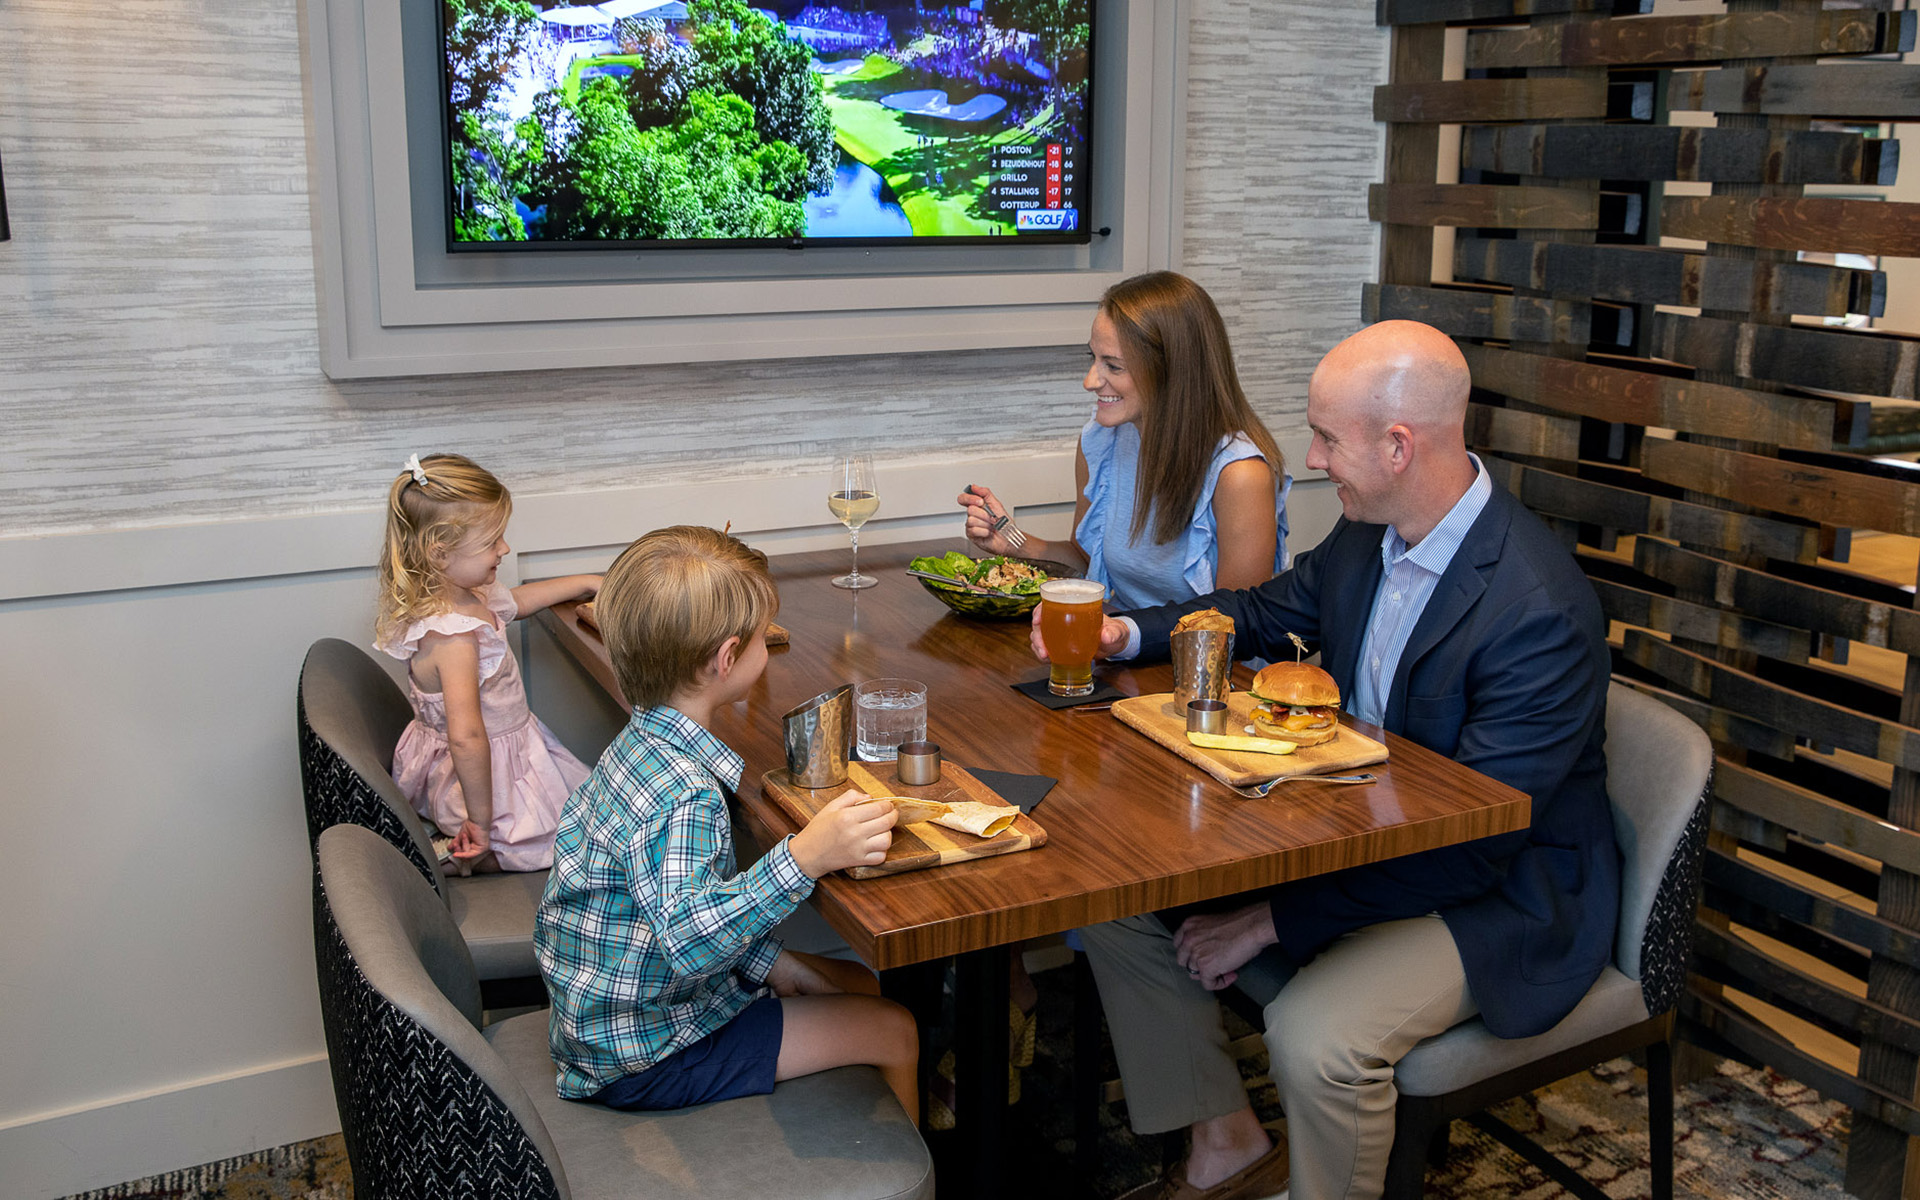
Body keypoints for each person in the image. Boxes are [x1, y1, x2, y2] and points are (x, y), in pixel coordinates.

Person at [1047, 321, 1616, 1200]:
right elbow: (1258, 610)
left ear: (1398, 447)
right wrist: (1126, 632)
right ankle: (1227, 1141)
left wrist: (1273, 918)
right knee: (1115, 898)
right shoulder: (1369, 531)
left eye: (1326, 439)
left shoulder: (1536, 610)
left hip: (1501, 894)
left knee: (1317, 1037)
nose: (1310, 460)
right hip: (1362, 838)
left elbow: (1476, 844)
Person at [535, 525, 921, 1118]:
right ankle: (918, 1161)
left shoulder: (640, 746)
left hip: (610, 1015)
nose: (769, 646)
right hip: (647, 1055)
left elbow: (663, 913)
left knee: (859, 984)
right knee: (894, 1029)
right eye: (765, 636)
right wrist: (804, 857)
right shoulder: (686, 793)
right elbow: (688, 941)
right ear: (727, 658)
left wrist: (774, 964)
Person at [960, 270, 1292, 609]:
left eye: (1114, 366)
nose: (1090, 381)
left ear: (1172, 371)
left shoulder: (1240, 476)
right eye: (1093, 358)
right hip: (1121, 637)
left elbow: (1234, 623)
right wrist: (1012, 542)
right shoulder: (1101, 441)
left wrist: (1129, 633)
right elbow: (1087, 562)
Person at [374, 452, 602, 873]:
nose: (505, 548)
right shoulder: (454, 638)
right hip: (480, 777)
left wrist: (585, 582)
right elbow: (466, 737)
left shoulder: (466, 597)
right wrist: (480, 822)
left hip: (505, 755)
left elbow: (518, 602)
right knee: (563, 842)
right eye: (491, 541)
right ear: (440, 553)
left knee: (585, 820)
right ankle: (459, 857)